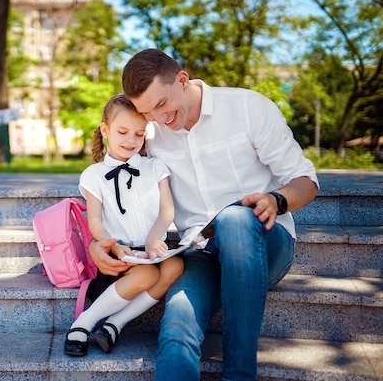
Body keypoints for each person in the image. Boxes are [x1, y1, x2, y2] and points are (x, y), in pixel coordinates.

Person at [88, 49, 319, 380]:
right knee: (177, 327)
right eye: (146, 111)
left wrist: (276, 200)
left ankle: (240, 374)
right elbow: (113, 186)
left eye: (162, 104)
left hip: (264, 242)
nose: (157, 118)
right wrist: (99, 243)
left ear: (182, 80)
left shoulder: (248, 108)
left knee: (235, 218)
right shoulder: (150, 132)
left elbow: (306, 181)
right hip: (198, 250)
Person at [64, 93, 184, 357]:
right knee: (147, 275)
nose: (131, 140)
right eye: (123, 132)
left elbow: (167, 211)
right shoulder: (93, 175)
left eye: (139, 134)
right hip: (119, 257)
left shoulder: (155, 167)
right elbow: (94, 219)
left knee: (175, 266)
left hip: (151, 250)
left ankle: (114, 324)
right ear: (106, 130)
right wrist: (113, 246)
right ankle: (83, 323)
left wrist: (154, 238)